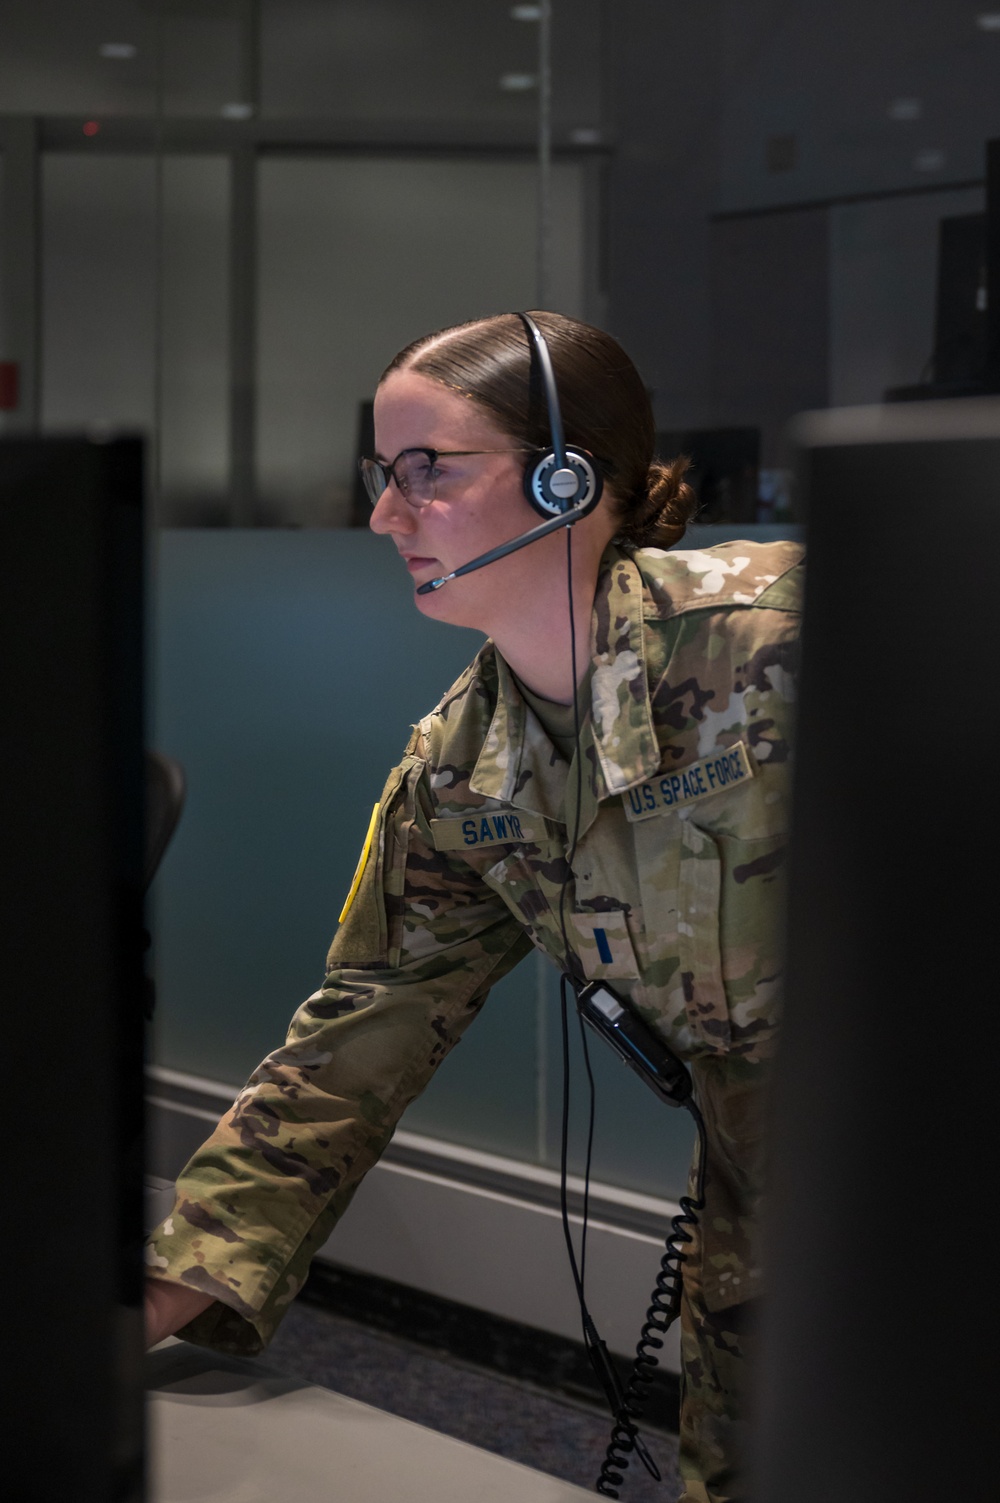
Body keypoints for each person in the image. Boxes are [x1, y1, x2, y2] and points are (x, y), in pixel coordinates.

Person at [145, 310, 804, 1503]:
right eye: (378, 477)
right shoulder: (462, 767)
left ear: (567, 475)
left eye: (426, 473)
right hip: (761, 1235)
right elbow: (363, 1026)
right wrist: (161, 1290)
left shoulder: (783, 638)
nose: (384, 517)